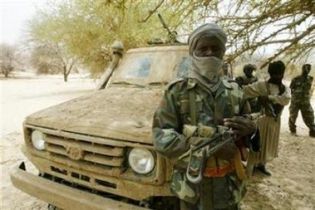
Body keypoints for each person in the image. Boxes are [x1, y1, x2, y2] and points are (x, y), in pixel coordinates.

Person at [152, 23, 259, 210]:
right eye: (203, 49)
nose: (209, 53)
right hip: (192, 189)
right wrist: (211, 149)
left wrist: (251, 130)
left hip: (228, 189)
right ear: (193, 52)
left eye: (215, 48)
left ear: (222, 53)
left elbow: (251, 135)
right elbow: (161, 137)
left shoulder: (235, 92)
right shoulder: (177, 92)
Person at [243, 61, 291, 176]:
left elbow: (286, 100)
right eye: (274, 74)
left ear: (282, 74)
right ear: (270, 73)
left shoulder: (285, 88)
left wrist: (268, 97)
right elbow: (245, 91)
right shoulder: (262, 85)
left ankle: (261, 165)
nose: (277, 77)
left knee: (268, 144)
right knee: (256, 145)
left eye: (279, 74)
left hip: (275, 121)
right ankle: (249, 169)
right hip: (261, 120)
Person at [288, 64, 315, 137]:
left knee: (309, 115)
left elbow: (311, 89)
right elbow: (290, 89)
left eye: (309, 69)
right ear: (302, 69)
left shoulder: (310, 78)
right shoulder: (296, 79)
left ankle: (312, 130)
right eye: (305, 68)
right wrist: (295, 96)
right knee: (293, 115)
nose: (307, 70)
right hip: (295, 101)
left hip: (305, 101)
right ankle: (292, 130)